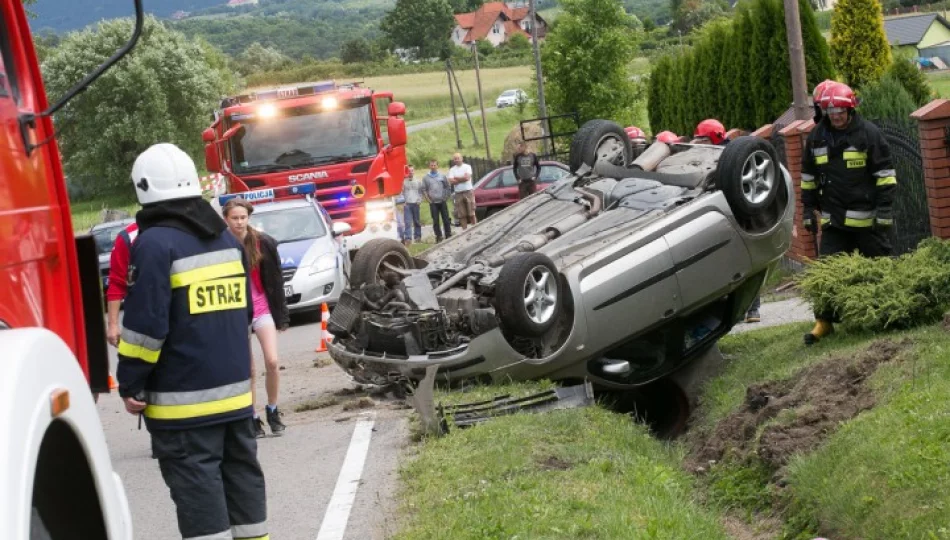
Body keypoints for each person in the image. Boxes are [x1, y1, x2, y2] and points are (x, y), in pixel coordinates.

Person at [117, 143, 268, 540]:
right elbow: (245, 315)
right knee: (243, 482)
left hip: (183, 404)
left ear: (143, 188)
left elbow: (144, 330)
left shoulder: (151, 245)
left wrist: (130, 382)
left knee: (198, 491)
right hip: (235, 399)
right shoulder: (227, 241)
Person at [801, 81, 897, 345]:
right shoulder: (816, 138)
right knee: (827, 273)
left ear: (851, 109)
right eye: (831, 114)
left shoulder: (868, 134)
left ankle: (889, 313)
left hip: (868, 220)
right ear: (824, 113)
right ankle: (824, 322)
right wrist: (808, 209)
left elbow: (885, 175)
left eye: (841, 112)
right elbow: (808, 177)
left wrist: (884, 209)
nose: (837, 117)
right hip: (835, 220)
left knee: (880, 269)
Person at [223, 198, 290, 438]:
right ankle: (252, 416)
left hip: (262, 309)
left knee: (272, 362)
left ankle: (272, 410)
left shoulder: (263, 243)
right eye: (235, 218)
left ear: (248, 218)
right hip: (237, 313)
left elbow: (276, 280)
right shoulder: (221, 245)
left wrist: (281, 315)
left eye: (243, 217)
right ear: (226, 219)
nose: (239, 222)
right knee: (248, 369)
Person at [106, 220, 139, 348]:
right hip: (142, 323)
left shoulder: (189, 228)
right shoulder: (127, 238)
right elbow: (116, 283)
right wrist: (113, 325)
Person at [422, 159, 452, 242]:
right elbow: (424, 189)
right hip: (433, 203)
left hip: (442, 201)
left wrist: (445, 197)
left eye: (434, 165)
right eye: (431, 165)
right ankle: (438, 236)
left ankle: (448, 234)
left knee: (445, 219)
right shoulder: (425, 178)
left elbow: (447, 187)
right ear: (429, 166)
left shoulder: (442, 176)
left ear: (437, 166)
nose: (433, 167)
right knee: (435, 220)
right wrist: (428, 200)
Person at [448, 153, 477, 230]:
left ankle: (475, 228)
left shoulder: (467, 167)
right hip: (458, 193)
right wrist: (462, 178)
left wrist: (456, 178)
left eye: (458, 158)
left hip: (468, 192)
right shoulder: (452, 169)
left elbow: (467, 178)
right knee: (461, 214)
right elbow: (451, 181)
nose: (456, 160)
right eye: (455, 159)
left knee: (471, 213)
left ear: (462, 158)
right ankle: (464, 230)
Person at [401, 166, 424, 245]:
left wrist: (420, 200)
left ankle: (418, 237)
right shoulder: (403, 181)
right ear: (407, 172)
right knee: (407, 222)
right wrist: (403, 201)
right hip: (407, 204)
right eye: (409, 171)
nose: (410, 172)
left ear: (414, 171)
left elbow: (421, 192)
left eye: (412, 171)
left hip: (416, 204)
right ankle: (408, 238)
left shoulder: (418, 181)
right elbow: (401, 193)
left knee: (417, 221)